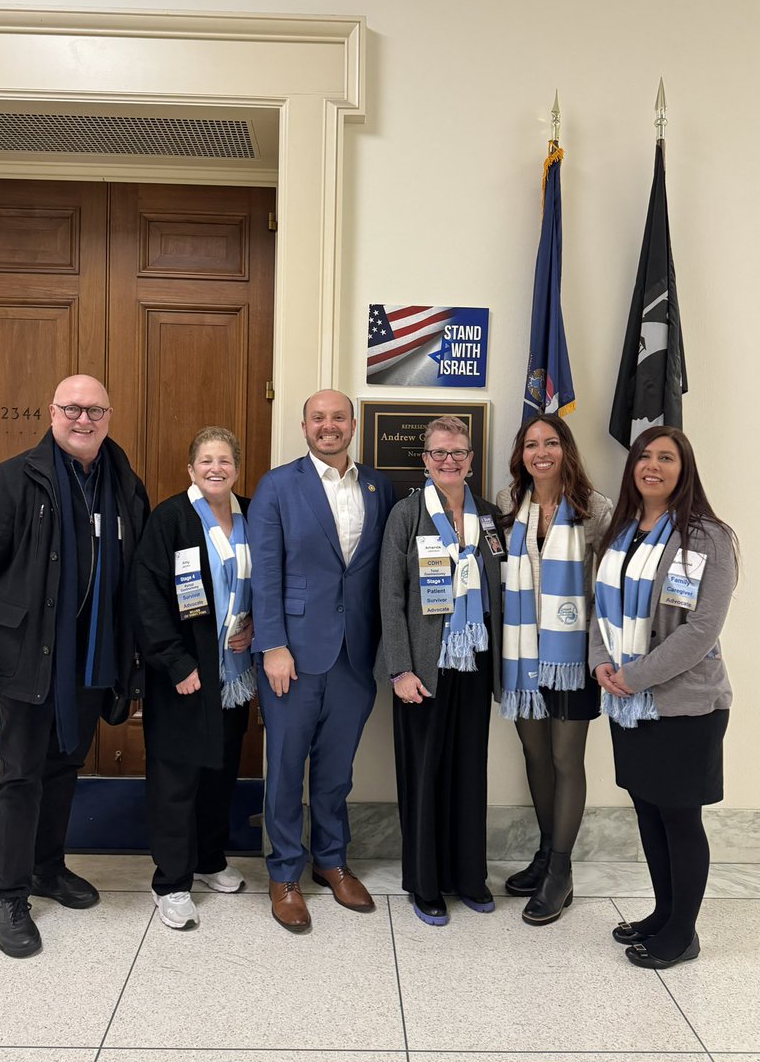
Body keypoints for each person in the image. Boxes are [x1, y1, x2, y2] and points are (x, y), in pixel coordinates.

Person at [0, 374, 149, 958]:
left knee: (65, 766)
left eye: (94, 410)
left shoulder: (123, 482)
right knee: (19, 775)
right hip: (25, 658)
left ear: (109, 415)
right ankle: (6, 896)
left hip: (93, 660)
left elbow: (134, 572)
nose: (83, 420)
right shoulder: (14, 479)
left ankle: (46, 868)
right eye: (72, 409)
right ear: (52, 412)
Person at [591, 426, 737, 969]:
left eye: (666, 457)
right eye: (644, 456)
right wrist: (600, 663)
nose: (653, 465)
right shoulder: (621, 529)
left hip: (685, 704)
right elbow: (598, 604)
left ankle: (683, 932)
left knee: (679, 816)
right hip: (627, 701)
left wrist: (636, 676)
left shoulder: (708, 537)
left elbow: (700, 629)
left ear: (685, 468)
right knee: (649, 812)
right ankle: (662, 913)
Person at [248, 389, 395, 932]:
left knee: (336, 772)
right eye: (318, 418)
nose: (328, 426)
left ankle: (331, 860)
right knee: (286, 768)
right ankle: (284, 872)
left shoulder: (378, 486)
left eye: (338, 417)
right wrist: (273, 645)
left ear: (353, 424)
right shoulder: (277, 485)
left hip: (355, 655)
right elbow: (264, 571)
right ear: (303, 425)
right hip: (293, 654)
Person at [376, 416, 503, 926]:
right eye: (439, 453)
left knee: (470, 772)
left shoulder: (490, 518)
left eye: (458, 453)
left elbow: (503, 593)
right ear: (425, 461)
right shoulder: (406, 516)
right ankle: (425, 884)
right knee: (424, 775)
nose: (449, 461)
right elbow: (389, 596)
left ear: (471, 460)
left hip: (473, 664)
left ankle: (469, 877)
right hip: (422, 671)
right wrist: (399, 670)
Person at [134, 427, 256, 930]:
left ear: (236, 467)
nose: (216, 468)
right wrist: (176, 662)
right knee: (177, 779)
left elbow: (266, 581)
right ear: (190, 469)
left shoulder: (252, 513)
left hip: (234, 676)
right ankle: (172, 882)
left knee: (219, 772)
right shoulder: (171, 519)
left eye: (225, 460)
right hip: (185, 674)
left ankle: (209, 861)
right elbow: (147, 597)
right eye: (206, 460)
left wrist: (257, 626)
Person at [496, 414, 612, 925]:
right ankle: (545, 854)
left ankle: (561, 872)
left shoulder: (597, 509)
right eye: (530, 444)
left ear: (566, 448)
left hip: (573, 657)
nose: (540, 452)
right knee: (535, 754)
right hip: (521, 653)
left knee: (567, 760)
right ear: (521, 453)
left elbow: (608, 589)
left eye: (550, 443)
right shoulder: (504, 506)